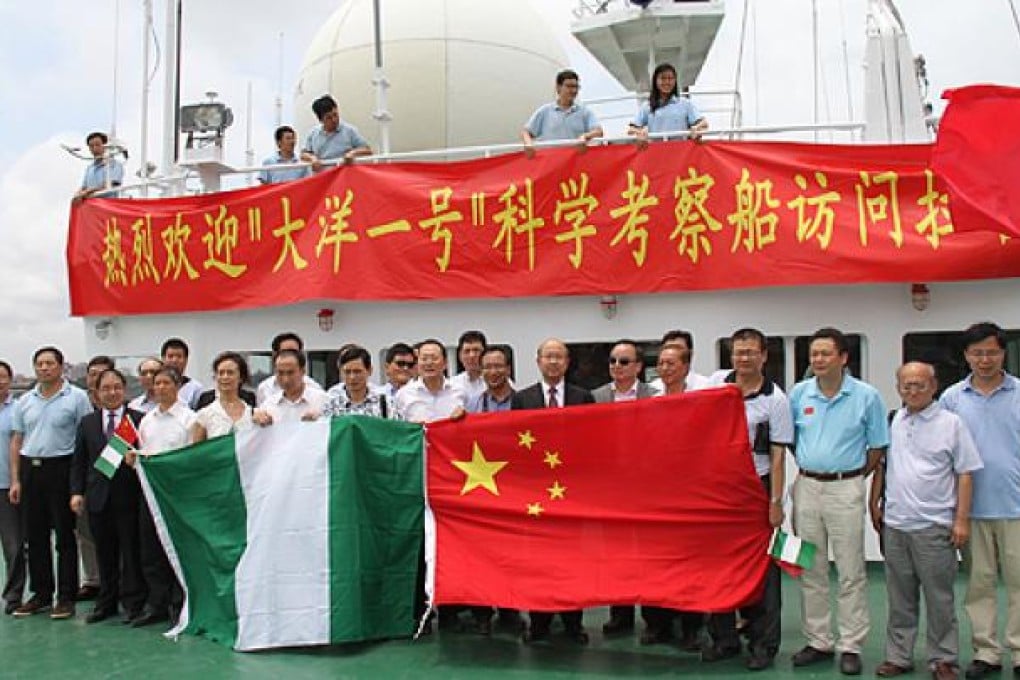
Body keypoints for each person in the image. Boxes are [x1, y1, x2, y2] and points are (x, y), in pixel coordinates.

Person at [788, 327, 889, 676]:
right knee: (809, 567)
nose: (817, 360)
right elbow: (791, 439)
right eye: (813, 354)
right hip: (806, 487)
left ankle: (850, 644)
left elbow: (878, 445)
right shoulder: (799, 394)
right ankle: (818, 639)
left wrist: (853, 477)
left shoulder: (866, 396)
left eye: (825, 354)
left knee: (850, 570)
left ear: (843, 358)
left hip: (846, 487)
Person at [870, 362, 981, 680]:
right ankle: (898, 656)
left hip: (934, 525)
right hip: (896, 524)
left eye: (919, 385)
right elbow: (883, 465)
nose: (912, 391)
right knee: (899, 597)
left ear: (934, 387)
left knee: (939, 598)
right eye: (906, 385)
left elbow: (965, 473)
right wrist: (873, 501)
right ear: (898, 388)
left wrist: (961, 520)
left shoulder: (951, 423)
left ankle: (943, 659)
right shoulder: (894, 420)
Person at [704, 328, 792, 670]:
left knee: (763, 570)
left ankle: (763, 643)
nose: (744, 358)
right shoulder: (716, 387)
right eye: (738, 352)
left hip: (757, 487)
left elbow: (779, 454)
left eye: (750, 352)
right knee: (718, 566)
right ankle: (723, 638)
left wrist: (775, 502)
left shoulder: (776, 400)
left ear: (764, 355)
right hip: (719, 489)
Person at [938, 322, 1020, 680]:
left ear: (1003, 353)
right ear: (966, 356)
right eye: (977, 353)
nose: (984, 359)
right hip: (970, 508)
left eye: (991, 352)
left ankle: (1019, 652)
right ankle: (986, 651)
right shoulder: (952, 399)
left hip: (1016, 506)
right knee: (979, 583)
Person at [512, 338, 595, 645]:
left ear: (568, 361)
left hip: (571, 492)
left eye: (559, 357)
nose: (553, 362)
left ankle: (574, 623)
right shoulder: (522, 399)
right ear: (538, 361)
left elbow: (591, 444)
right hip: (535, 494)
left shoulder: (583, 397)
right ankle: (539, 622)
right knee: (538, 560)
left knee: (573, 558)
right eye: (548, 356)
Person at [9, 347, 92, 620]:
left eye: (49, 363)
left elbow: (84, 439)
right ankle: (41, 594)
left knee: (65, 537)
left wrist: (79, 483)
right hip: (31, 469)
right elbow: (17, 440)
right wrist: (16, 479)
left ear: (61, 367)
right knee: (34, 537)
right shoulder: (25, 401)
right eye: (39, 364)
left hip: (62, 469)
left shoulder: (77, 398)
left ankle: (65, 597)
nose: (44, 368)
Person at [70, 369, 146, 624]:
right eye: (106, 388)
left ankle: (134, 603)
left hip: (129, 498)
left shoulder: (139, 420)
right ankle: (106, 603)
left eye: (116, 388)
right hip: (98, 499)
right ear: (97, 392)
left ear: (124, 390)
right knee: (105, 553)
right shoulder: (88, 422)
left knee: (130, 552)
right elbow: (79, 461)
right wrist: (76, 492)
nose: (111, 393)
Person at [593, 340, 656, 640]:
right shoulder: (596, 398)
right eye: (613, 361)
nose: (617, 367)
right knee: (616, 554)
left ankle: (654, 618)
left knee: (649, 554)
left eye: (624, 361)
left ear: (639, 366)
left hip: (646, 488)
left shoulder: (655, 397)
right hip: (610, 489)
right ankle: (620, 615)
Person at [650, 343, 709, 650]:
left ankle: (691, 627)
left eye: (672, 363)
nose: (665, 368)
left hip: (689, 496)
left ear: (686, 366)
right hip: (657, 495)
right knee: (658, 563)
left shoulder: (698, 402)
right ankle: (660, 625)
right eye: (661, 363)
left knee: (689, 564)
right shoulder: (651, 402)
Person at [133, 366, 195, 627]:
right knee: (150, 551)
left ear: (177, 386)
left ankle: (178, 601)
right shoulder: (146, 421)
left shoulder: (189, 419)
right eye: (155, 383)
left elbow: (191, 456)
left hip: (177, 496)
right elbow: (142, 450)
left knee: (177, 549)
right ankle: (156, 603)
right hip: (149, 494)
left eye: (165, 383)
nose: (159, 388)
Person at [464, 345, 519, 634]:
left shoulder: (523, 402)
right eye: (488, 367)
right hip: (483, 488)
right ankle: (482, 614)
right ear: (480, 371)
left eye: (499, 366)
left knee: (511, 554)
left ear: (509, 369)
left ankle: (510, 610)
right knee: (483, 553)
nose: (493, 372)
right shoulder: (472, 404)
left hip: (515, 487)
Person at [77, 354, 116, 601]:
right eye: (93, 374)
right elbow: (79, 456)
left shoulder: (129, 415)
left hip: (120, 490)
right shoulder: (83, 411)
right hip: (91, 487)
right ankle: (94, 582)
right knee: (88, 537)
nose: (98, 379)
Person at [521, 69, 603, 157]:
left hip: (575, 163)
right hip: (551, 163)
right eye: (569, 86)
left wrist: (585, 136)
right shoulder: (545, 111)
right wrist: (528, 144)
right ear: (558, 87)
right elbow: (526, 131)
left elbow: (598, 131)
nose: (574, 90)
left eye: (576, 87)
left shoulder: (584, 112)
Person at [628, 62, 708, 145]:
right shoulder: (647, 106)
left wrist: (696, 128)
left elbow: (704, 123)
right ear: (656, 81)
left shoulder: (685, 103)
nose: (667, 82)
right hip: (657, 152)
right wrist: (639, 133)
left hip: (682, 152)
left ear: (675, 81)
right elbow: (631, 129)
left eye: (670, 78)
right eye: (663, 78)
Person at [0, 360, 25, 615]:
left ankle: (14, 594)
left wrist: (17, 480)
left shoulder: (18, 410)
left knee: (13, 545)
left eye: (2, 377)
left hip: (7, 486)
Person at [394, 340, 467, 423]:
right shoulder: (403, 395)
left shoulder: (460, 391)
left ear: (445, 363)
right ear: (417, 363)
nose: (429, 363)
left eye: (434, 358)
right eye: (424, 359)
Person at [253, 349, 327, 425]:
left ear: (302, 371)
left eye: (290, 373)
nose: (286, 379)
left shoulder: (322, 400)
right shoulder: (268, 406)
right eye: (280, 373)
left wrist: (321, 420)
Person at [192, 352, 254, 442]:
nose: (225, 377)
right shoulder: (204, 415)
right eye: (221, 373)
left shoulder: (251, 413)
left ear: (241, 377)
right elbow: (197, 452)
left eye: (230, 373)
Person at [300, 94, 372, 171]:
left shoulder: (349, 131)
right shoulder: (313, 134)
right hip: (323, 176)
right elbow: (303, 154)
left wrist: (352, 153)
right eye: (329, 118)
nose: (334, 120)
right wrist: (312, 158)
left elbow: (367, 150)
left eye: (335, 115)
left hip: (343, 175)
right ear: (320, 119)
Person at [322, 346, 392, 419]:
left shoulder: (385, 403)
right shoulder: (331, 404)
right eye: (347, 372)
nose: (352, 377)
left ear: (369, 371)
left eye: (357, 371)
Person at [255, 332, 322, 406]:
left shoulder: (314, 387)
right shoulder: (264, 389)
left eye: (295, 352)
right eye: (286, 352)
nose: (290, 355)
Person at [73, 131, 124, 201]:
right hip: (91, 208)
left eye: (97, 145)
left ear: (105, 146)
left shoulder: (115, 165)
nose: (94, 148)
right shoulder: (89, 169)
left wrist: (87, 192)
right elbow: (83, 187)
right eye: (91, 146)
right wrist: (77, 194)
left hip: (108, 206)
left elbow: (110, 185)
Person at [160, 338, 204, 409]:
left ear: (186, 360)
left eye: (179, 356)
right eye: (170, 356)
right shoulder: (157, 385)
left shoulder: (195, 388)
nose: (175, 360)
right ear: (163, 359)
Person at [450, 330, 488, 402]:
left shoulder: (499, 382)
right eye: (467, 351)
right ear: (460, 356)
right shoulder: (452, 384)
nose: (472, 355)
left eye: (476, 350)